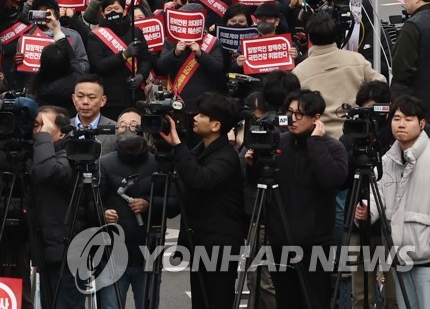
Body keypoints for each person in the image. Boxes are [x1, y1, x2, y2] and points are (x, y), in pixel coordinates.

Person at [246, 89, 348, 309]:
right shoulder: (278, 143)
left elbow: (332, 179)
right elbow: (258, 183)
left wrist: (315, 143)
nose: (293, 118)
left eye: (300, 114)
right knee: (285, 301)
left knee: (314, 301)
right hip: (279, 241)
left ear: (317, 118)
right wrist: (252, 164)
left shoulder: (333, 147)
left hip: (314, 245)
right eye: (290, 112)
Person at [160, 93, 245, 309]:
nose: (195, 117)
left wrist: (179, 145)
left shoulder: (226, 155)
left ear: (216, 125)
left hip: (220, 242)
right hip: (201, 239)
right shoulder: (203, 149)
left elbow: (201, 179)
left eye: (202, 114)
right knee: (201, 300)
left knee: (217, 300)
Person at [97, 108, 179, 309]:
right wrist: (103, 213)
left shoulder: (159, 163)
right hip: (112, 256)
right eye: (122, 126)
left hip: (148, 252)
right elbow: (90, 202)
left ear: (144, 129)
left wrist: (149, 204)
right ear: (115, 131)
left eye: (134, 125)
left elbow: (175, 203)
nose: (127, 130)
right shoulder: (104, 164)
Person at [355, 95, 430, 307]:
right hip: (398, 255)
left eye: (408, 118)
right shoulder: (387, 159)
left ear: (421, 123)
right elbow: (376, 192)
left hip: (426, 256)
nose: (401, 124)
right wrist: (366, 211)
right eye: (397, 118)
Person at [293, 11, 385, 139]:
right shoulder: (357, 60)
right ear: (336, 35)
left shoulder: (299, 72)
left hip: (319, 136)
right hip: (358, 132)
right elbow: (381, 84)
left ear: (310, 38)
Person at [27, 105, 82, 309]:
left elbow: (47, 172)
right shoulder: (37, 153)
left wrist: (43, 139)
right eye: (36, 125)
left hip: (66, 251)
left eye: (45, 126)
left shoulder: (72, 155)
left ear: (61, 131)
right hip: (46, 246)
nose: (39, 131)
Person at [71, 75, 118, 155]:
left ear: (103, 101)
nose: (85, 102)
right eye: (80, 96)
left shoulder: (116, 129)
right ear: (73, 99)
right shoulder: (63, 129)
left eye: (91, 97)